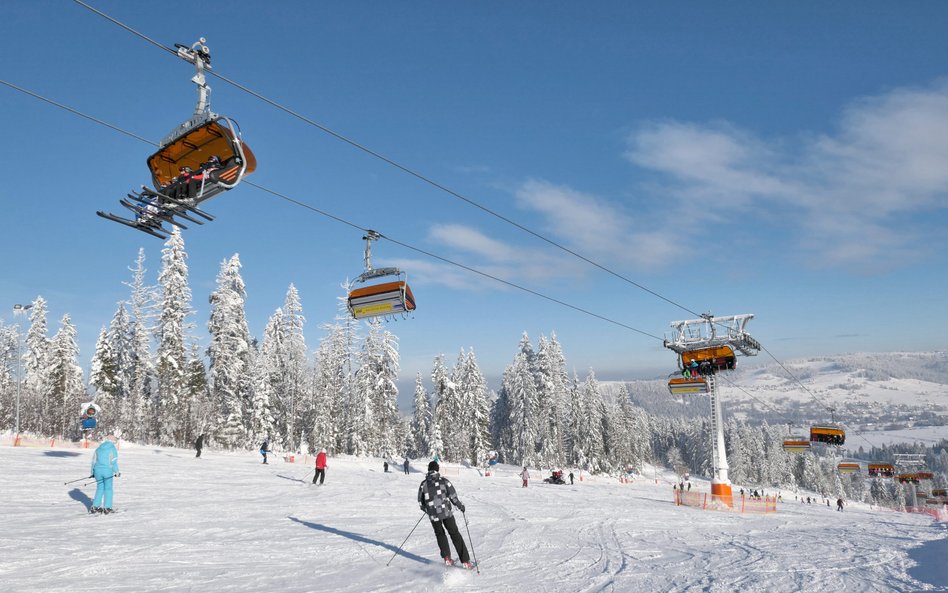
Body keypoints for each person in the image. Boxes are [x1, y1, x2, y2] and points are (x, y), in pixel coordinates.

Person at [418, 460, 472, 568]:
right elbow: (453, 497)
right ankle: (465, 561)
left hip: (433, 516)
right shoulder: (444, 481)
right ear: (437, 469)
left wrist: (428, 510)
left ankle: (447, 558)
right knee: (455, 534)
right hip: (446, 513)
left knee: (440, 534)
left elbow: (420, 502)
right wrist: (461, 506)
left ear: (429, 470)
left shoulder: (423, 484)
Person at [90, 434, 120, 514]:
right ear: (113, 441)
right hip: (107, 471)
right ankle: (107, 507)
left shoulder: (98, 448)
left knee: (100, 488)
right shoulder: (112, 449)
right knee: (108, 489)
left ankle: (95, 507)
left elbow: (93, 461)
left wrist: (92, 472)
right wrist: (117, 472)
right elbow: (113, 462)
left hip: (97, 471)